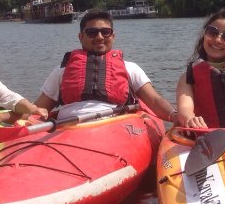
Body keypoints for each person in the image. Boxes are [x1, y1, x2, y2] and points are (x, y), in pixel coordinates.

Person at [33, 9, 177, 122]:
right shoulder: (61, 71)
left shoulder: (130, 68)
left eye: (106, 32)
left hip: (113, 124)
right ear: (81, 37)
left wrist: (174, 116)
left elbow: (154, 100)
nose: (100, 37)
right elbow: (39, 108)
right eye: (92, 33)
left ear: (113, 36)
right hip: (68, 127)